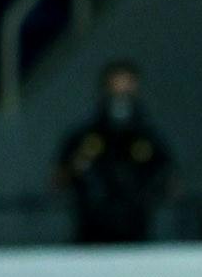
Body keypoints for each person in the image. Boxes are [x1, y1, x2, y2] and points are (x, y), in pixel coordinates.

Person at [54, 61, 175, 245]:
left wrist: (153, 187)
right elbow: (58, 180)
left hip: (137, 235)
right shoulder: (84, 137)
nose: (120, 99)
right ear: (104, 91)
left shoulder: (149, 138)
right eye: (115, 91)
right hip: (90, 235)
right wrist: (77, 169)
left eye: (126, 91)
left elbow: (171, 182)